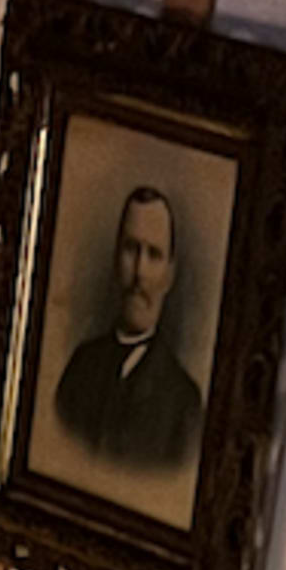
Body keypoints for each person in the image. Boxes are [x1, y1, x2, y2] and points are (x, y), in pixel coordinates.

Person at [53, 182, 203, 479]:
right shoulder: (79, 368)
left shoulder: (184, 404)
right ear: (115, 258)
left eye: (154, 255)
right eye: (131, 250)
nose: (139, 273)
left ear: (170, 275)